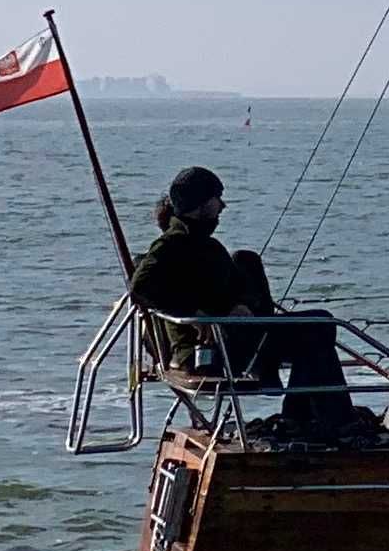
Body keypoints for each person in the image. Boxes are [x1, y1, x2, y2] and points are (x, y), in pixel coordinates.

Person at [127, 165, 368, 444]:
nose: (223, 206)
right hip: (214, 349)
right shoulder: (174, 244)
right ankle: (336, 423)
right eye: (218, 198)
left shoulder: (203, 244)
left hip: (233, 335)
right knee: (319, 326)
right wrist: (193, 314)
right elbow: (140, 287)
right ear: (201, 204)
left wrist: (239, 303)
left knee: (250, 263)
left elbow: (225, 287)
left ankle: (300, 418)